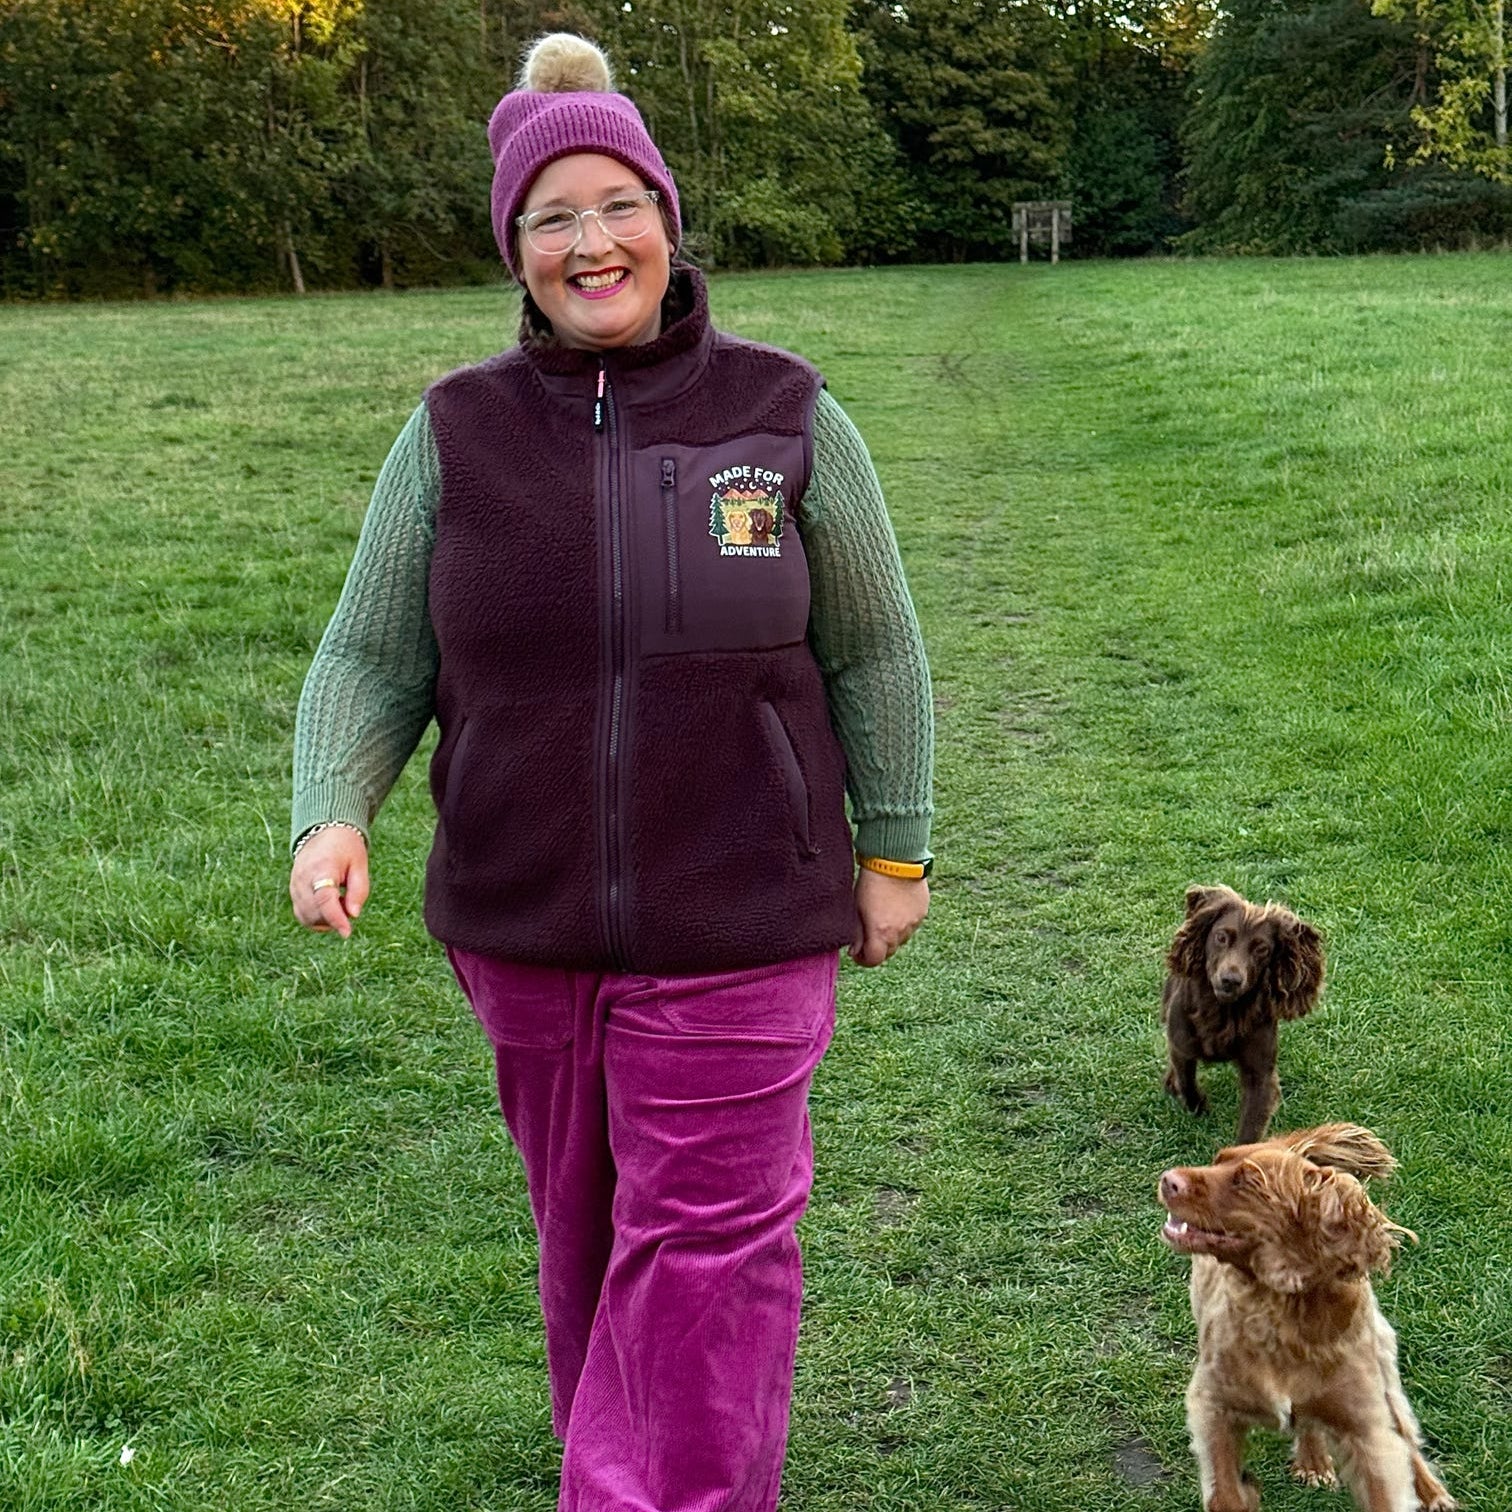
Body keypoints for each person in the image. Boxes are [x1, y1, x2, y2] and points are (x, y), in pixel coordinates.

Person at [288, 32, 933, 1512]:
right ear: (514, 251)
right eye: (552, 216)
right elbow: (369, 657)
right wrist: (334, 808)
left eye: (617, 203)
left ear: (668, 217)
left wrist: (892, 850)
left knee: (708, 1247)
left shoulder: (783, 412)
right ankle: (629, 1461)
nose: (592, 242)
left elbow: (878, 654)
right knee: (587, 1238)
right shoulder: (453, 431)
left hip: (744, 919)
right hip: (520, 927)